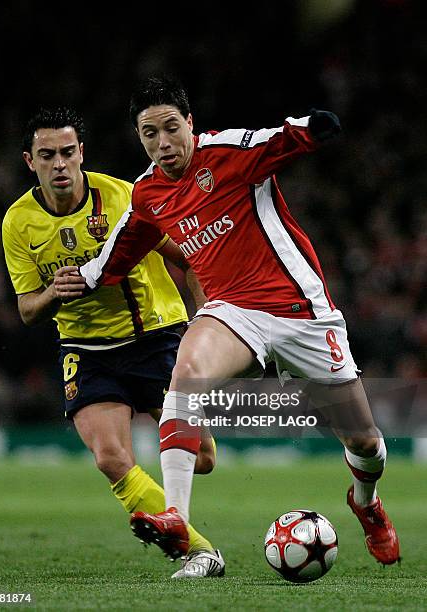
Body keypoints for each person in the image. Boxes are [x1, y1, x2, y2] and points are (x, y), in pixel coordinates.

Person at [54, 77, 400, 567]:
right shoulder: (149, 192)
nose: (163, 144)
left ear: (190, 123)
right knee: (187, 371)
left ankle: (366, 505)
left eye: (171, 128)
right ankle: (176, 514)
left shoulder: (226, 153)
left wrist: (312, 127)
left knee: (366, 443)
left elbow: (276, 139)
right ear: (139, 137)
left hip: (301, 311)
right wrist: (86, 277)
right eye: (149, 134)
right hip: (233, 310)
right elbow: (124, 245)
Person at [1, 106, 225, 579]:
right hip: (87, 350)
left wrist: (207, 313)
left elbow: (185, 252)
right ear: (30, 161)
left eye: (66, 152)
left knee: (202, 458)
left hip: (155, 336)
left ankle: (165, 503)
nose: (59, 164)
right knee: (110, 457)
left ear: (81, 153)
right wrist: (51, 295)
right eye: (47, 156)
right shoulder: (17, 222)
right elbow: (26, 309)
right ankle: (200, 551)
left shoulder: (123, 197)